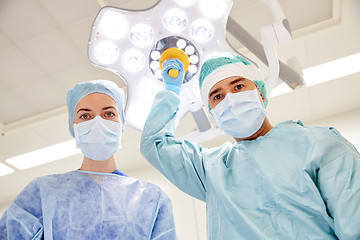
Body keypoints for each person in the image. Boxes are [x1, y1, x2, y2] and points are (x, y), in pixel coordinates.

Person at [140, 54, 360, 239]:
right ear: (214, 114)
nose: (230, 99)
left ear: (260, 94)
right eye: (217, 96)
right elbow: (155, 143)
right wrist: (171, 90)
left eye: (238, 86)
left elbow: (354, 223)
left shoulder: (319, 144)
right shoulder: (211, 169)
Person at [0, 80, 177, 240]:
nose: (98, 122)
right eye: (85, 116)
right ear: (73, 127)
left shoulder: (151, 199)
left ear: (121, 123)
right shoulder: (43, 192)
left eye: (108, 114)